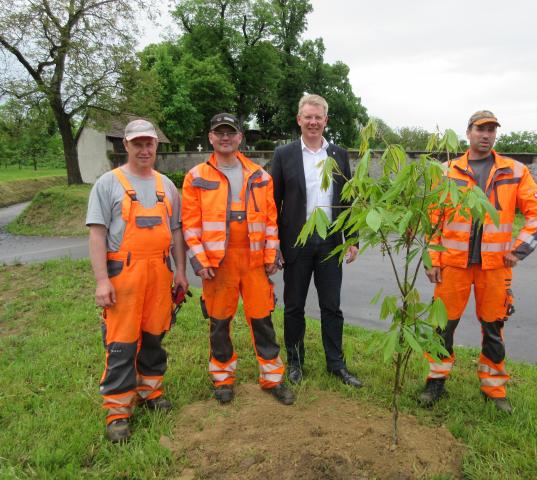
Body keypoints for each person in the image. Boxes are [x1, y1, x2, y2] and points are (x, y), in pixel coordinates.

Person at [422, 110, 537, 413]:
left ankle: (494, 388)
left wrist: (519, 249)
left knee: (493, 328)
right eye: (481, 129)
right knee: (442, 327)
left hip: (495, 267)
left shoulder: (514, 171)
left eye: (491, 130)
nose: (486, 135)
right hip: (452, 264)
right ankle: (436, 380)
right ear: (468, 132)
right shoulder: (446, 171)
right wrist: (432, 259)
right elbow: (432, 217)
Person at [181, 113, 294, 406]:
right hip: (219, 263)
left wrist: (271, 255)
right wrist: (200, 261)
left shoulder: (260, 176)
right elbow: (190, 225)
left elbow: (271, 221)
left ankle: (273, 378)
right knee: (219, 323)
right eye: (219, 132)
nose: (225, 137)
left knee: (262, 320)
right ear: (210, 137)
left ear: (239, 138)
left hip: (254, 261)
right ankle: (223, 379)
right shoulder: (196, 177)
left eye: (230, 132)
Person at [87, 119, 188, 443]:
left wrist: (181, 271)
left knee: (154, 337)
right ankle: (118, 413)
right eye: (137, 144)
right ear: (126, 145)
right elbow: (97, 234)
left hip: (159, 272)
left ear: (156, 146)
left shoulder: (166, 186)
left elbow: (176, 232)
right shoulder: (107, 184)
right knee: (122, 342)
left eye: (149, 144)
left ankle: (151, 393)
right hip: (124, 275)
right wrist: (102, 281)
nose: (144, 150)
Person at [270, 94, 362, 387]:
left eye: (318, 117)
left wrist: (352, 238)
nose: (313, 122)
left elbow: (347, 199)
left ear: (326, 120)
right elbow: (273, 203)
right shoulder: (284, 155)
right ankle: (295, 362)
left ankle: (336, 364)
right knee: (294, 306)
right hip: (296, 243)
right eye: (308, 117)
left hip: (330, 242)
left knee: (331, 307)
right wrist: (274, 243)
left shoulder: (338, 154)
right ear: (299, 119)